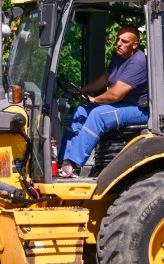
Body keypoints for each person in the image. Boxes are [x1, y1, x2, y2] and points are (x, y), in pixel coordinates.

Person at [58, 25, 148, 178]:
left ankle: (73, 164)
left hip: (138, 110)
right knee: (81, 111)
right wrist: (82, 91)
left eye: (124, 41)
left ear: (135, 45)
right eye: (118, 39)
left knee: (98, 114)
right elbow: (105, 79)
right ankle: (63, 161)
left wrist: (94, 99)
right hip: (121, 105)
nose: (118, 43)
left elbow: (115, 95)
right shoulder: (119, 55)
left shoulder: (138, 62)